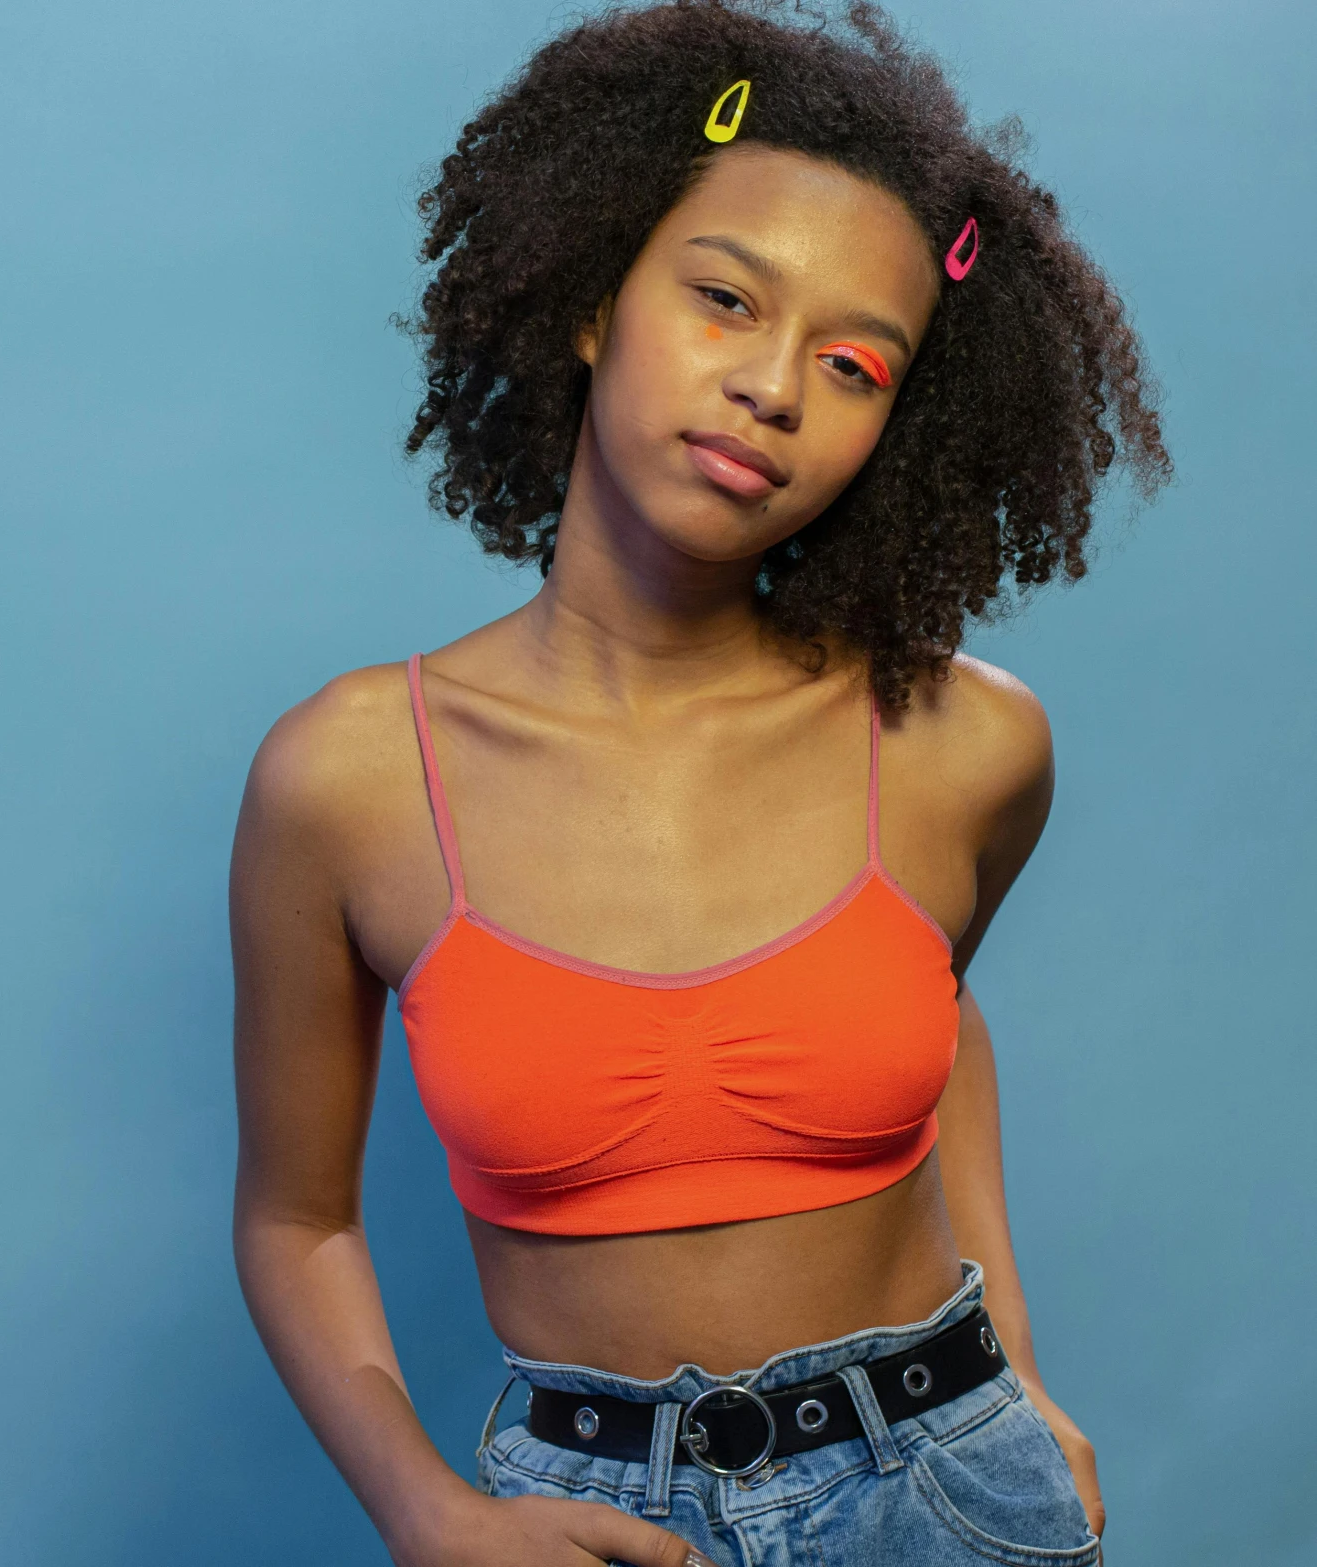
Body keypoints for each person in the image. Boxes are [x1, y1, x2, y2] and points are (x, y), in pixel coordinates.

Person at [226, 4, 1169, 1563]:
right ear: (597, 295)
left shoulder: (958, 742)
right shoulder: (350, 779)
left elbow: (926, 1024)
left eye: (852, 363)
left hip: (949, 1487)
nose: (774, 388)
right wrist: (425, 1512)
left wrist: (1016, 1367)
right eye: (726, 298)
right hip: (588, 1513)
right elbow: (295, 1216)